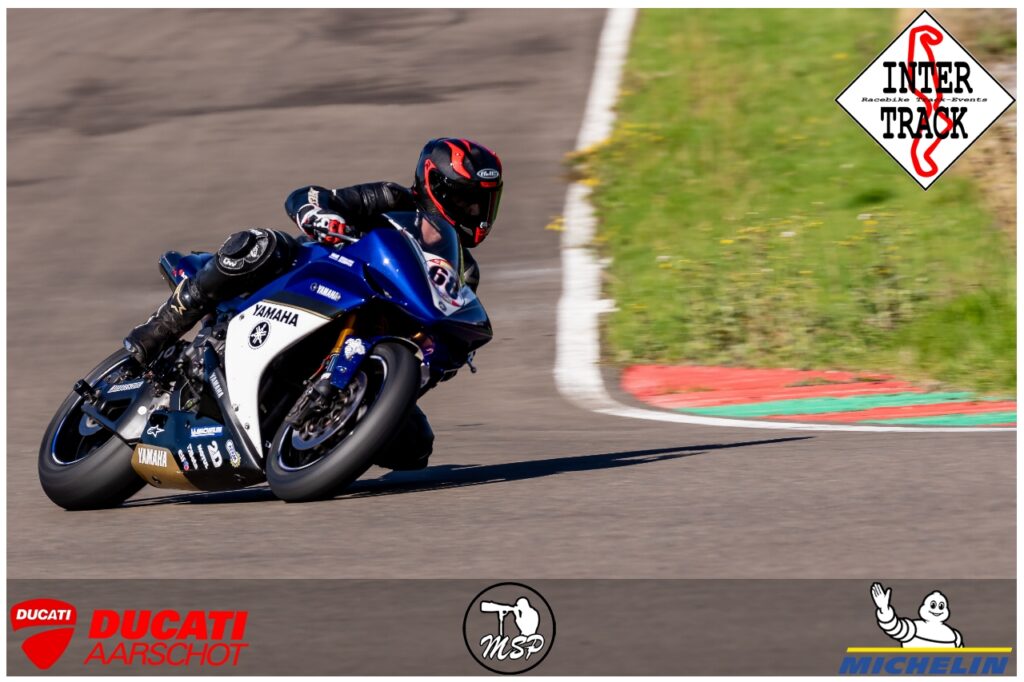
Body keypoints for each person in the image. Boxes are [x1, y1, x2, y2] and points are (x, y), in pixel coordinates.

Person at [122, 137, 503, 469]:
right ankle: (162, 326)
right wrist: (320, 216)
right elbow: (310, 197)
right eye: (466, 200)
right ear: (436, 186)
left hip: (369, 337)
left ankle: (319, 433)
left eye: (482, 203)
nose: (475, 212)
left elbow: (441, 324)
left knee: (415, 449)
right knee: (261, 243)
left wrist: (436, 354)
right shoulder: (391, 200)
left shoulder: (464, 269)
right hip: (307, 280)